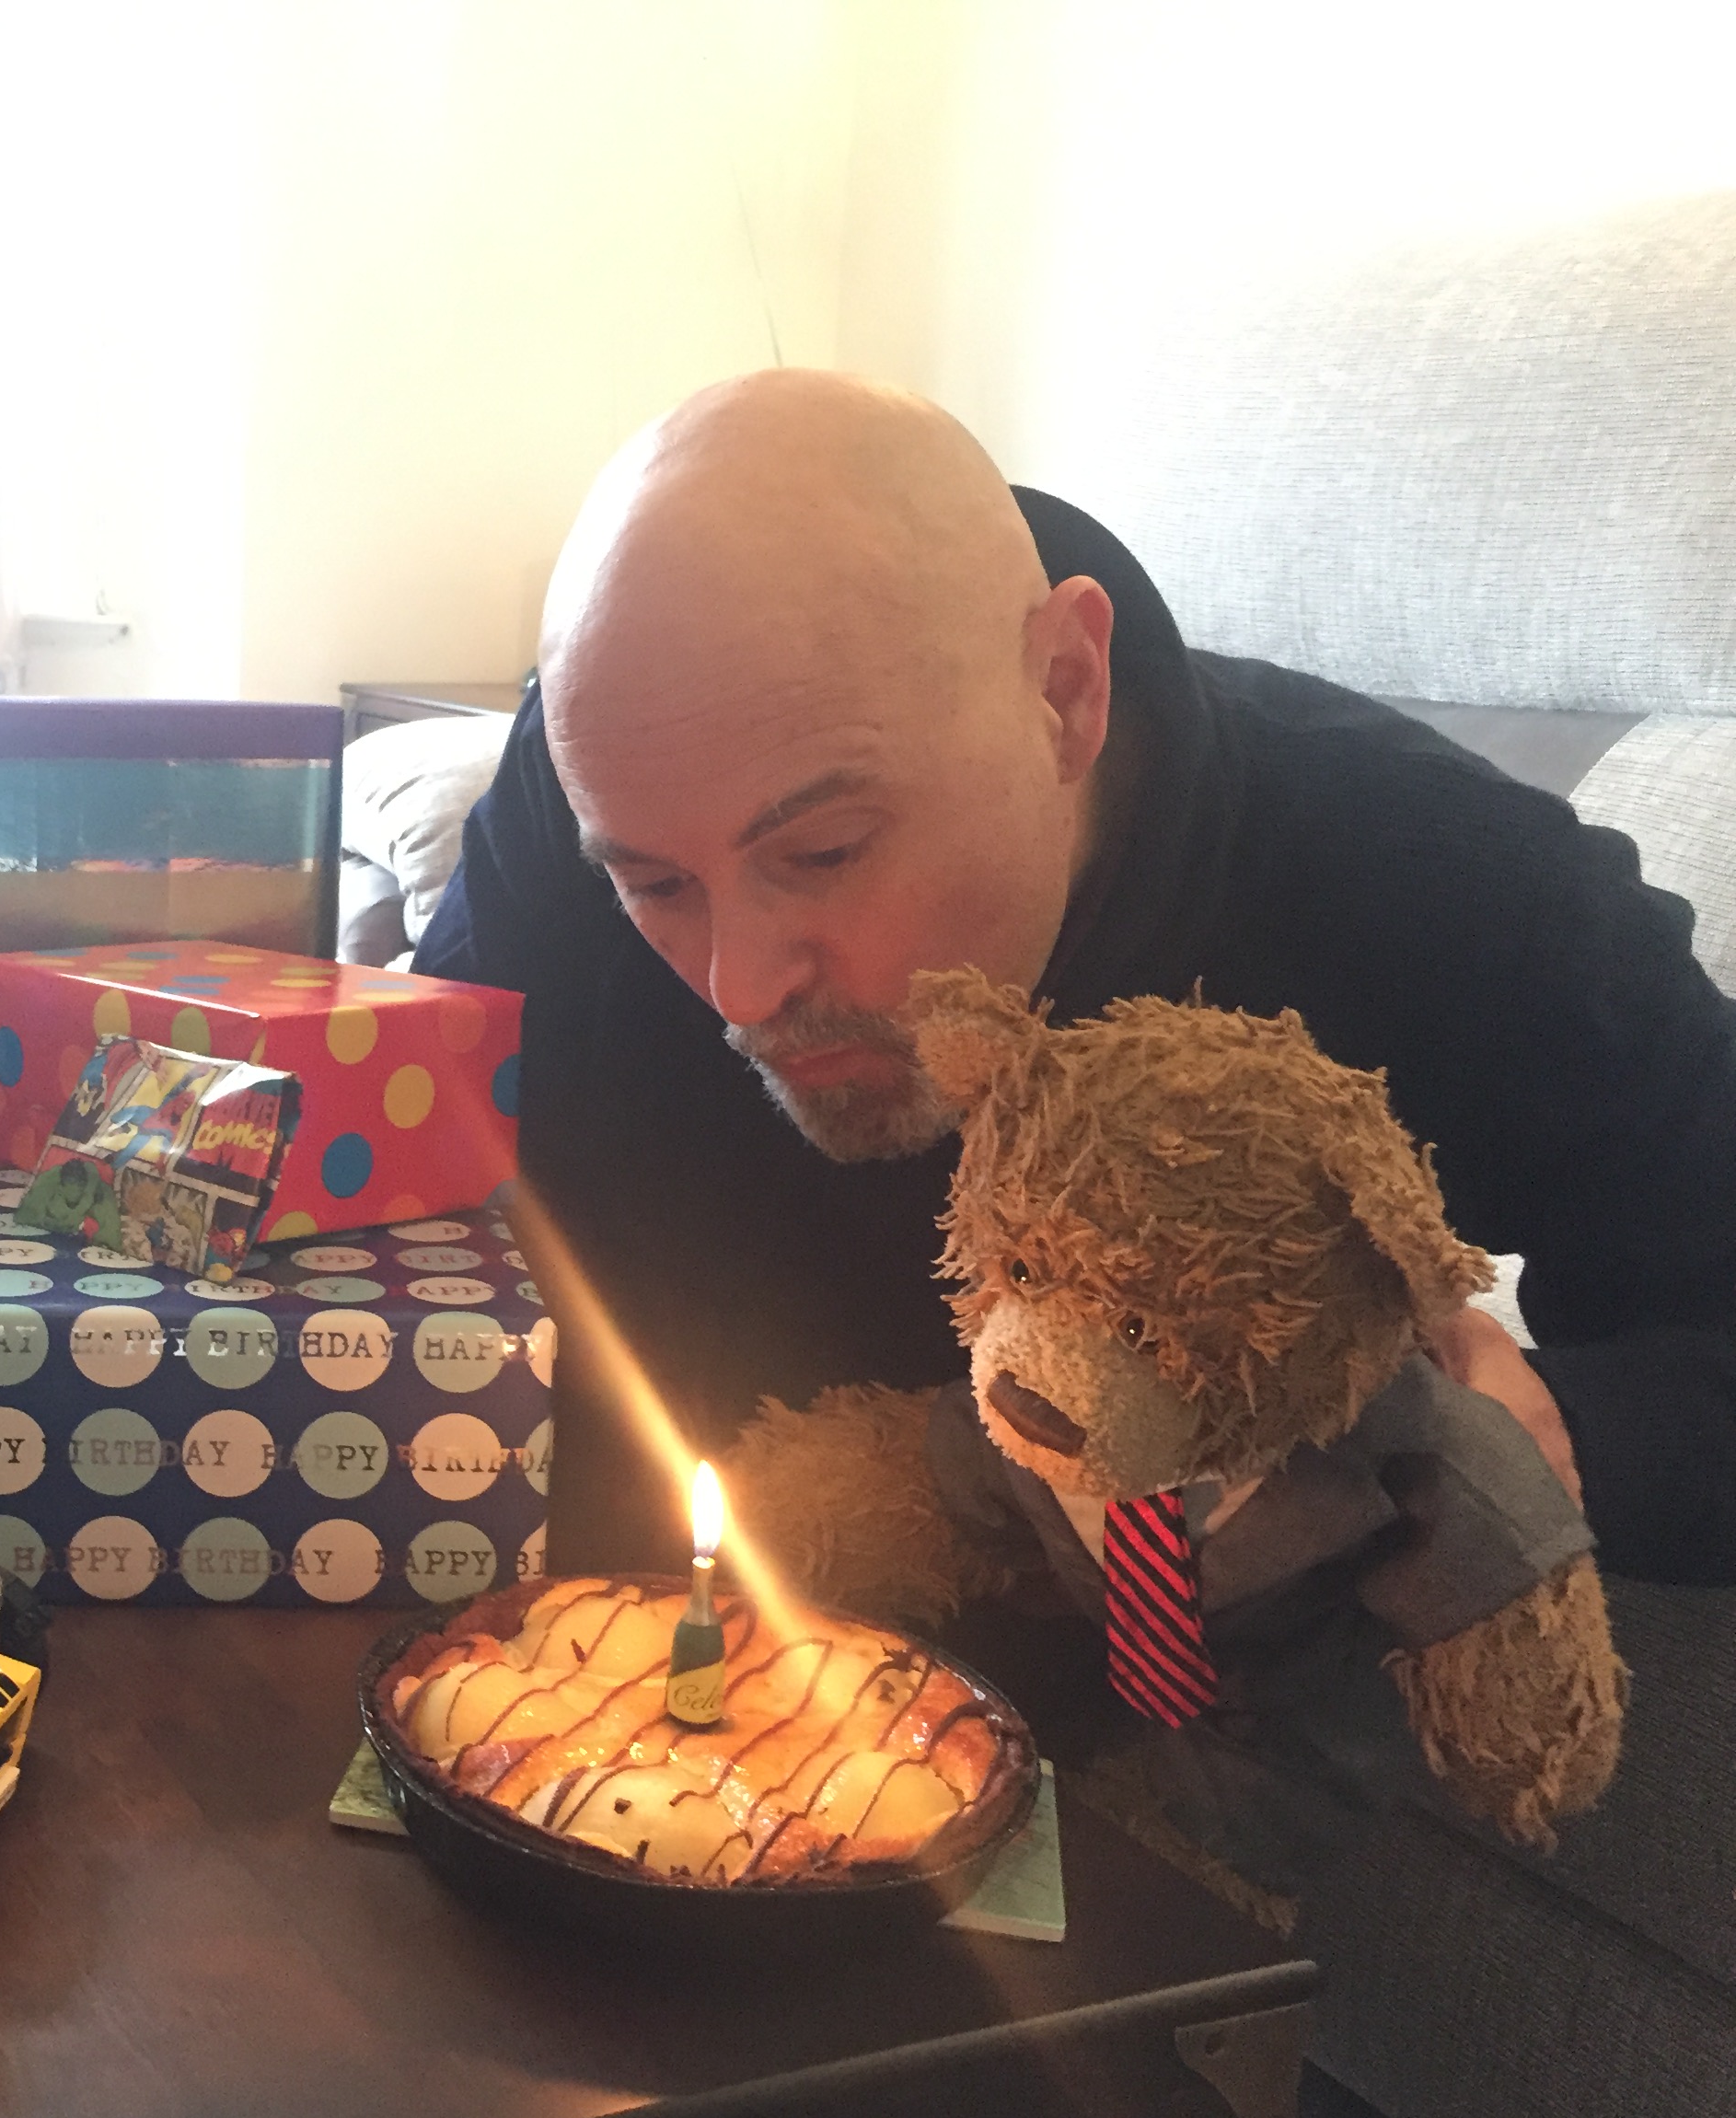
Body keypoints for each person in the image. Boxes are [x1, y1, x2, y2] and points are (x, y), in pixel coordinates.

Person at [416, 369, 1736, 1591]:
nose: (740, 988)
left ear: (1063, 689)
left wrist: (1562, 1433)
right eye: (655, 888)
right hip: (605, 1638)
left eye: (822, 851)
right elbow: (413, 1193)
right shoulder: (604, 783)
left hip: (1171, 1708)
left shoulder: (1434, 881)